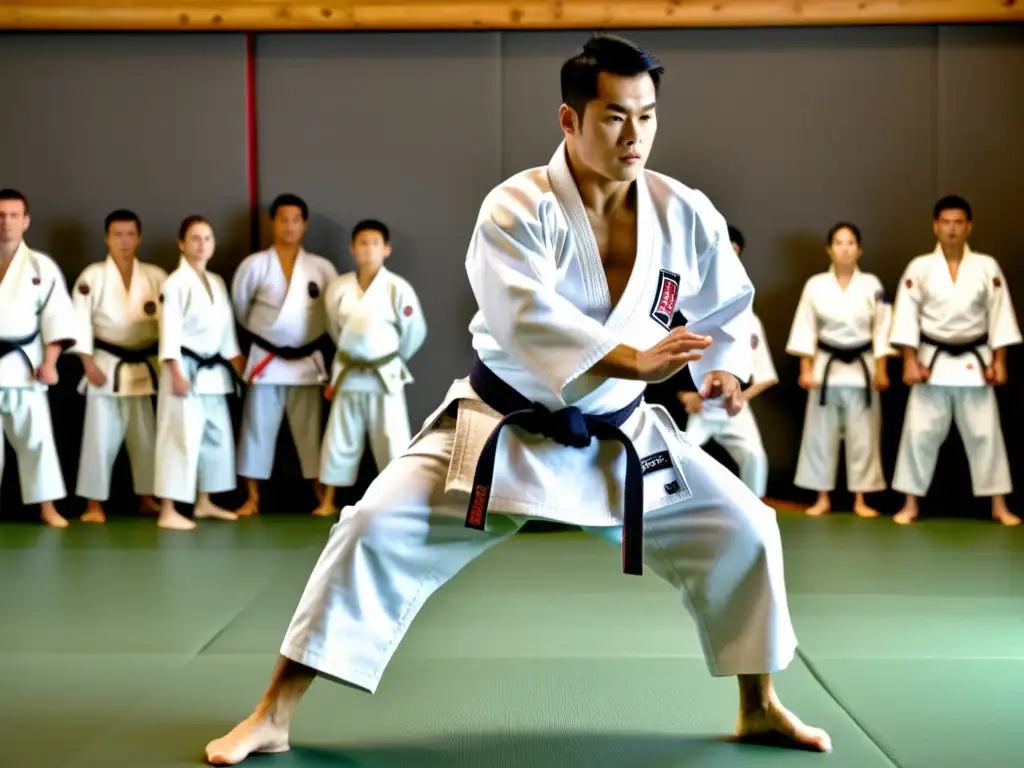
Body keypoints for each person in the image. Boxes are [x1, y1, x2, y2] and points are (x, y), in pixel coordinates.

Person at [203, 35, 830, 765]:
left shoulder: (682, 209)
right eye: (615, 117)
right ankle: (273, 713)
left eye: (649, 116)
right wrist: (632, 358)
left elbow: (725, 303)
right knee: (372, 525)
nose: (636, 136)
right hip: (503, 426)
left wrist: (718, 366)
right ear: (569, 120)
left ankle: (759, 705)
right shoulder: (516, 206)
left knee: (747, 526)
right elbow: (524, 317)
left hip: (620, 435)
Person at [890, 196, 1021, 526]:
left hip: (976, 362)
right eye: (945, 222)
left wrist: (999, 360)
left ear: (969, 226)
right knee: (918, 433)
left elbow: (999, 315)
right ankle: (910, 503)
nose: (951, 228)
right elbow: (906, 315)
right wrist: (909, 360)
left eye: (958, 222)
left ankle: (998, 505)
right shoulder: (919, 267)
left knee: (986, 435)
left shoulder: (986, 266)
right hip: (930, 361)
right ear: (935, 225)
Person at [232, 194, 337, 517]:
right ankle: (252, 497)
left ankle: (321, 494)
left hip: (307, 361)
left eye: (295, 219)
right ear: (272, 222)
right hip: (266, 359)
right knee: (256, 427)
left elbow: (333, 313)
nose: (289, 225)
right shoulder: (255, 265)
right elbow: (239, 306)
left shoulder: (321, 267)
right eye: (283, 219)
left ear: (304, 224)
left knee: (310, 431)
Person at [313, 219, 427, 518]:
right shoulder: (338, 288)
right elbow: (334, 329)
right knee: (339, 438)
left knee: (392, 437)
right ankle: (328, 500)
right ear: (352, 249)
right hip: (349, 372)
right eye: (362, 243)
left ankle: (399, 500)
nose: (368, 248)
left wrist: (389, 358)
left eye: (375, 243)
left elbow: (414, 331)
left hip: (384, 373)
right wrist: (354, 354)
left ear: (386, 249)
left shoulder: (397, 288)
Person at [786, 222, 894, 518]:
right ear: (829, 249)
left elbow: (882, 329)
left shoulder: (873, 284)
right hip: (825, 368)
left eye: (850, 243)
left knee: (865, 435)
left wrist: (882, 369)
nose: (845, 248)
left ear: (859, 249)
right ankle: (822, 497)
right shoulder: (815, 285)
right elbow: (805, 327)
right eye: (838, 242)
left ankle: (861, 498)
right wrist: (805, 368)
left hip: (863, 369)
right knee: (820, 435)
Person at [71, 209, 166, 523]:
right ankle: (93, 504)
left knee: (145, 434)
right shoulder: (92, 276)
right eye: (117, 235)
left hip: (144, 363)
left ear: (138, 238)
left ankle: (148, 497)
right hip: (106, 363)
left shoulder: (155, 276)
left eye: (129, 234)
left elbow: (169, 324)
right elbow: (78, 323)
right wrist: (86, 361)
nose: (124, 241)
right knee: (99, 435)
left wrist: (167, 361)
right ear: (106, 238)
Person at [153, 216, 245, 530]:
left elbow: (226, 334)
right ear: (181, 243)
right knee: (179, 438)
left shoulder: (216, 282)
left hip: (213, 373)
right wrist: (175, 372)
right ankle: (168, 509)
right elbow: (169, 331)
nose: (202, 244)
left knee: (214, 437)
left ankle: (204, 501)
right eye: (195, 238)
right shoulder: (174, 283)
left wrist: (239, 364)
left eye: (207, 238)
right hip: (184, 369)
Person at [680, 225, 777, 499]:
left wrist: (739, 395)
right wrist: (684, 394)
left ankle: (755, 508)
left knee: (755, 455)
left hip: (732, 406)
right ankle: (676, 509)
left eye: (736, 253)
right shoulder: (690, 301)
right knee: (681, 456)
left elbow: (764, 373)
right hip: (699, 406)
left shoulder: (748, 314)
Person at [0, 188, 77, 528]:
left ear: (26, 221)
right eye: (1, 215)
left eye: (14, 215)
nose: (6, 222)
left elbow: (56, 317)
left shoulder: (40, 265)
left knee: (38, 440)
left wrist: (51, 362)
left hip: (25, 367)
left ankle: (47, 508)